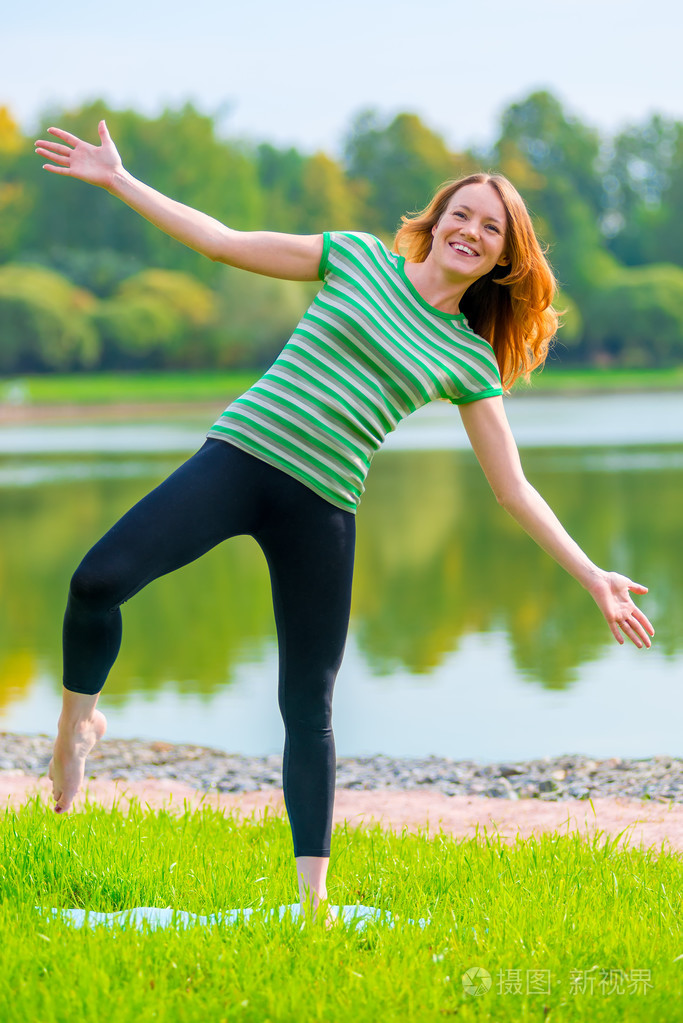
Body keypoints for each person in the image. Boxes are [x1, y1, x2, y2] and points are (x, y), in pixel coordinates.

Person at [34, 121, 655, 925]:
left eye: (491, 228)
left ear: (505, 256)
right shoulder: (357, 257)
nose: (470, 231)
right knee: (96, 581)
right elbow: (222, 242)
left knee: (309, 704)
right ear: (435, 223)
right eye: (460, 215)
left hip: (322, 504)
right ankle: (77, 729)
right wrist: (120, 179)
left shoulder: (468, 358)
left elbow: (512, 488)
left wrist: (592, 573)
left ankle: (312, 906)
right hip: (238, 458)